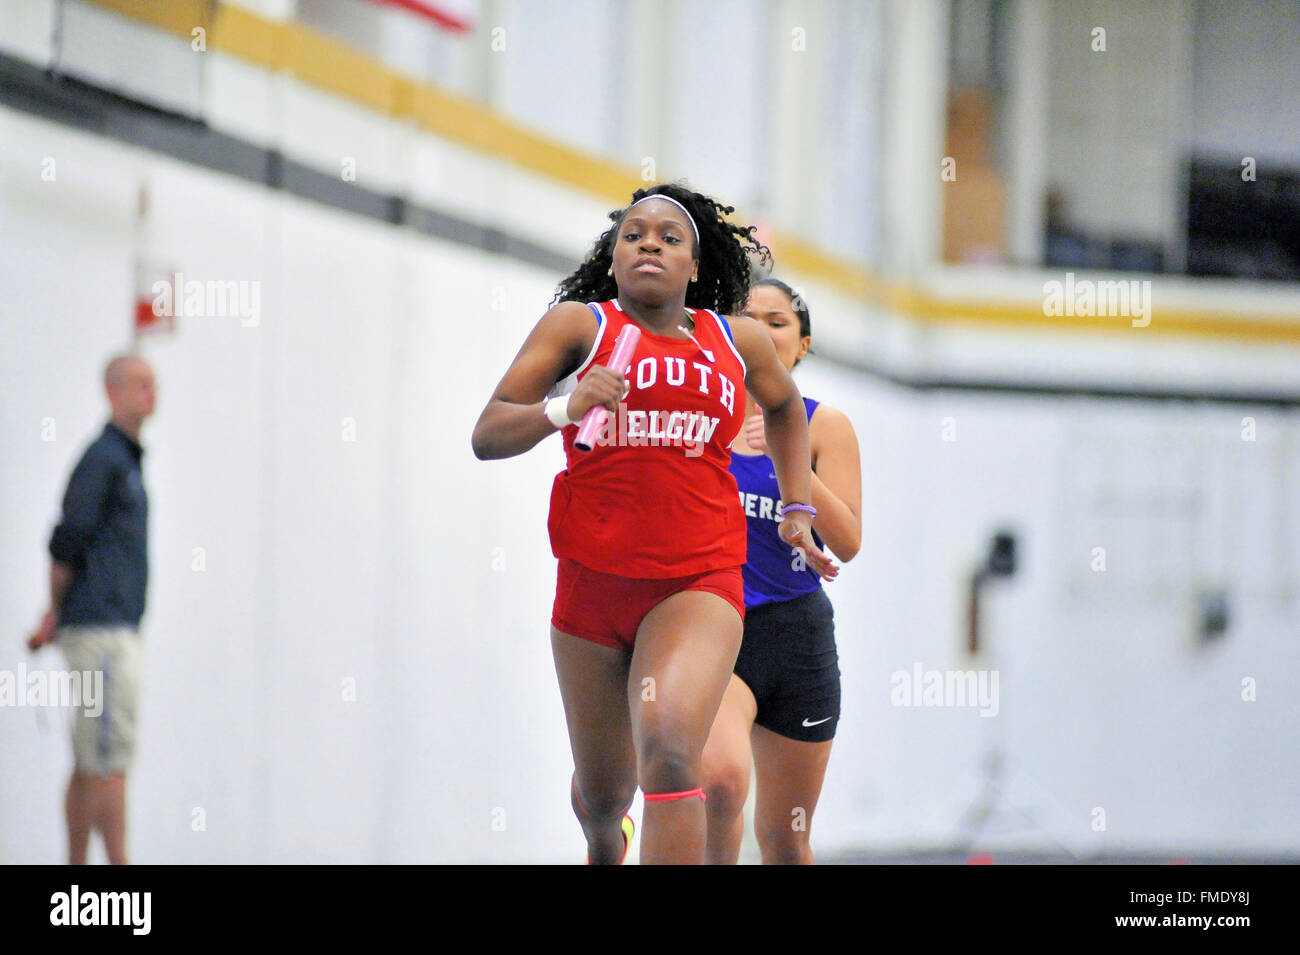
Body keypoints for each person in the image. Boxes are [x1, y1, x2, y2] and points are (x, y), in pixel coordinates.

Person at [471, 183, 838, 864]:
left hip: (697, 581)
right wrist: (564, 407)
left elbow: (785, 408)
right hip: (592, 587)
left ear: (696, 268)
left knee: (670, 754)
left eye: (671, 238)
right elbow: (487, 434)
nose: (650, 244)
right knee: (607, 798)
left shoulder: (739, 341)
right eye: (634, 235)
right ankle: (606, 837)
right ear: (613, 259)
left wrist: (796, 505)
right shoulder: (581, 328)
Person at [701, 279, 862, 864]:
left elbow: (847, 542)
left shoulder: (825, 426)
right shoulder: (704, 418)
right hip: (719, 625)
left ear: (802, 344)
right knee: (719, 782)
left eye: (777, 322)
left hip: (797, 637)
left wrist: (784, 453)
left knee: (785, 839)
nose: (761, 333)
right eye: (746, 319)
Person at [28, 354, 156, 865]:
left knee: (89, 761)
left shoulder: (125, 461)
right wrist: (54, 611)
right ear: (113, 390)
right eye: (141, 385)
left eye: (155, 386)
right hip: (101, 633)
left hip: (104, 629)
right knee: (109, 762)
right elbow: (66, 541)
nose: (151, 394)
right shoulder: (103, 460)